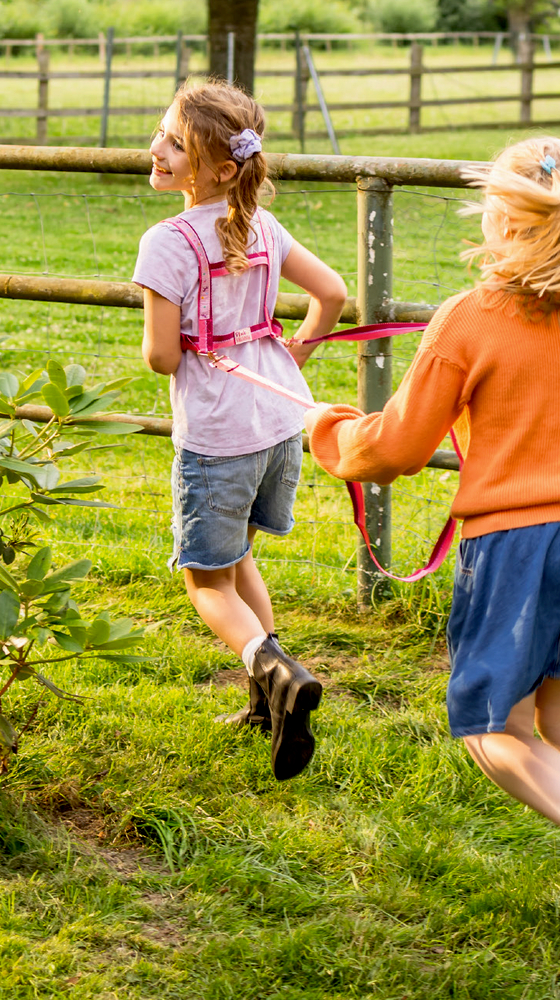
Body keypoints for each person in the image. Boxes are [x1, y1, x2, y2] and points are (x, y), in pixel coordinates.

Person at [303, 138, 560, 966]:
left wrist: (328, 431)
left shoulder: (471, 316)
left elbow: (396, 448)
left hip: (520, 541)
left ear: (506, 216)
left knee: (491, 723)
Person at [133, 80, 347, 782]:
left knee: (204, 581)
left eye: (175, 144)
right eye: (163, 135)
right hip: (279, 418)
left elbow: (163, 355)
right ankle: (267, 702)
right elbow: (333, 293)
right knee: (239, 558)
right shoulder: (261, 225)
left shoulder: (166, 242)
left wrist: (177, 343)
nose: (158, 150)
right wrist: (292, 356)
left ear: (218, 168)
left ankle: (272, 668)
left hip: (218, 433)